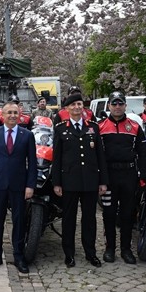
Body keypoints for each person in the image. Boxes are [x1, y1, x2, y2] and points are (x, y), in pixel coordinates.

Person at [51, 91, 108, 267]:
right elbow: (57, 157)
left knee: (89, 219)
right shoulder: (61, 128)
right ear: (67, 108)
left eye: (79, 104)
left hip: (90, 180)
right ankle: (69, 253)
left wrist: (103, 180)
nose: (77, 107)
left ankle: (90, 252)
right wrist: (57, 182)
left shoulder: (93, 127)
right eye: (73, 105)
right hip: (69, 180)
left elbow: (100, 155)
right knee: (69, 219)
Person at [97, 91, 146, 264]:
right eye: (114, 103)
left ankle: (126, 249)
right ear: (109, 106)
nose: (117, 106)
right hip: (109, 176)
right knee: (109, 214)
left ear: (125, 106)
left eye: (121, 103)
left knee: (128, 215)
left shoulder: (134, 126)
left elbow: (143, 153)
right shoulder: (99, 127)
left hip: (129, 176)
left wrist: (143, 176)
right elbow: (96, 156)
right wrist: (100, 179)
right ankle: (110, 248)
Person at [0, 99, 38, 272]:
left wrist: (30, 185)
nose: (13, 115)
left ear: (20, 115)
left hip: (19, 184)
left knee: (19, 221)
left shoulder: (27, 135)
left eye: (16, 112)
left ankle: (19, 256)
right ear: (2, 115)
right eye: (9, 113)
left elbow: (32, 163)